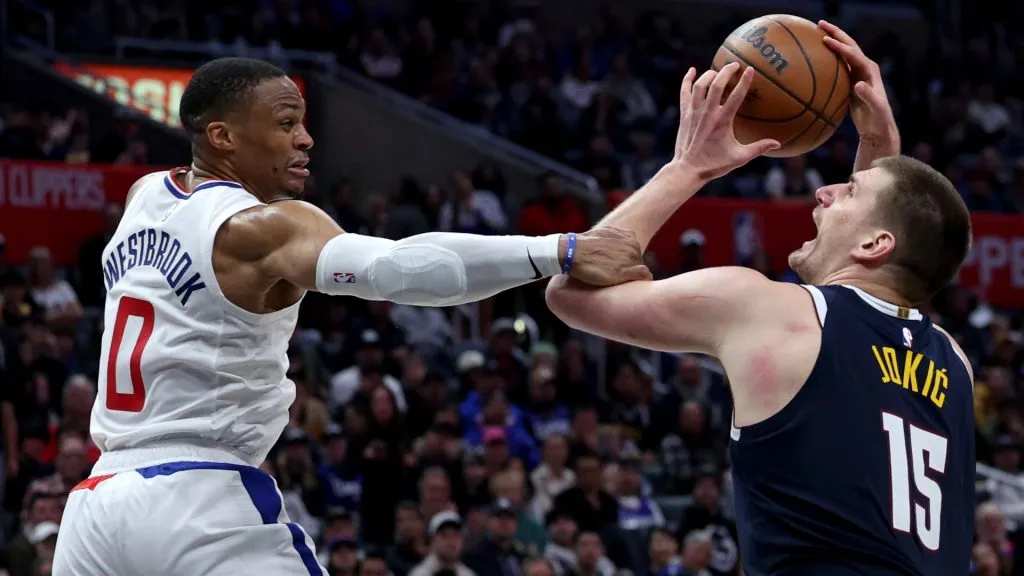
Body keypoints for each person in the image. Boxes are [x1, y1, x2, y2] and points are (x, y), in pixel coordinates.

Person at [52, 57, 648, 576]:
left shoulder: (145, 195)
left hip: (95, 510)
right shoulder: (265, 227)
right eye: (286, 124)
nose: (306, 139)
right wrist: (558, 250)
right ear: (222, 136)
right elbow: (398, 269)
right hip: (198, 499)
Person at [545, 21, 975, 576]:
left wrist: (688, 166)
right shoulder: (956, 367)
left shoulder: (767, 311)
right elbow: (863, 315)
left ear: (875, 243)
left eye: (847, 191)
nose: (821, 192)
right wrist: (880, 155)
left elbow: (573, 289)